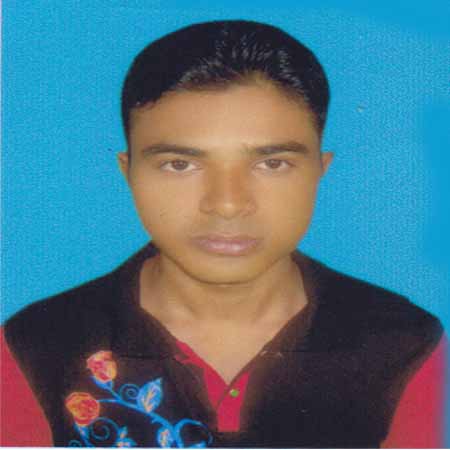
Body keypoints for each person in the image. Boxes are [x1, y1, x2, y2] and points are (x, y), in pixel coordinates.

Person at [1, 20, 446, 448]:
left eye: (272, 163)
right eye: (180, 164)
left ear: (319, 170)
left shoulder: (406, 347)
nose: (228, 204)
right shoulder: (34, 349)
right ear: (129, 172)